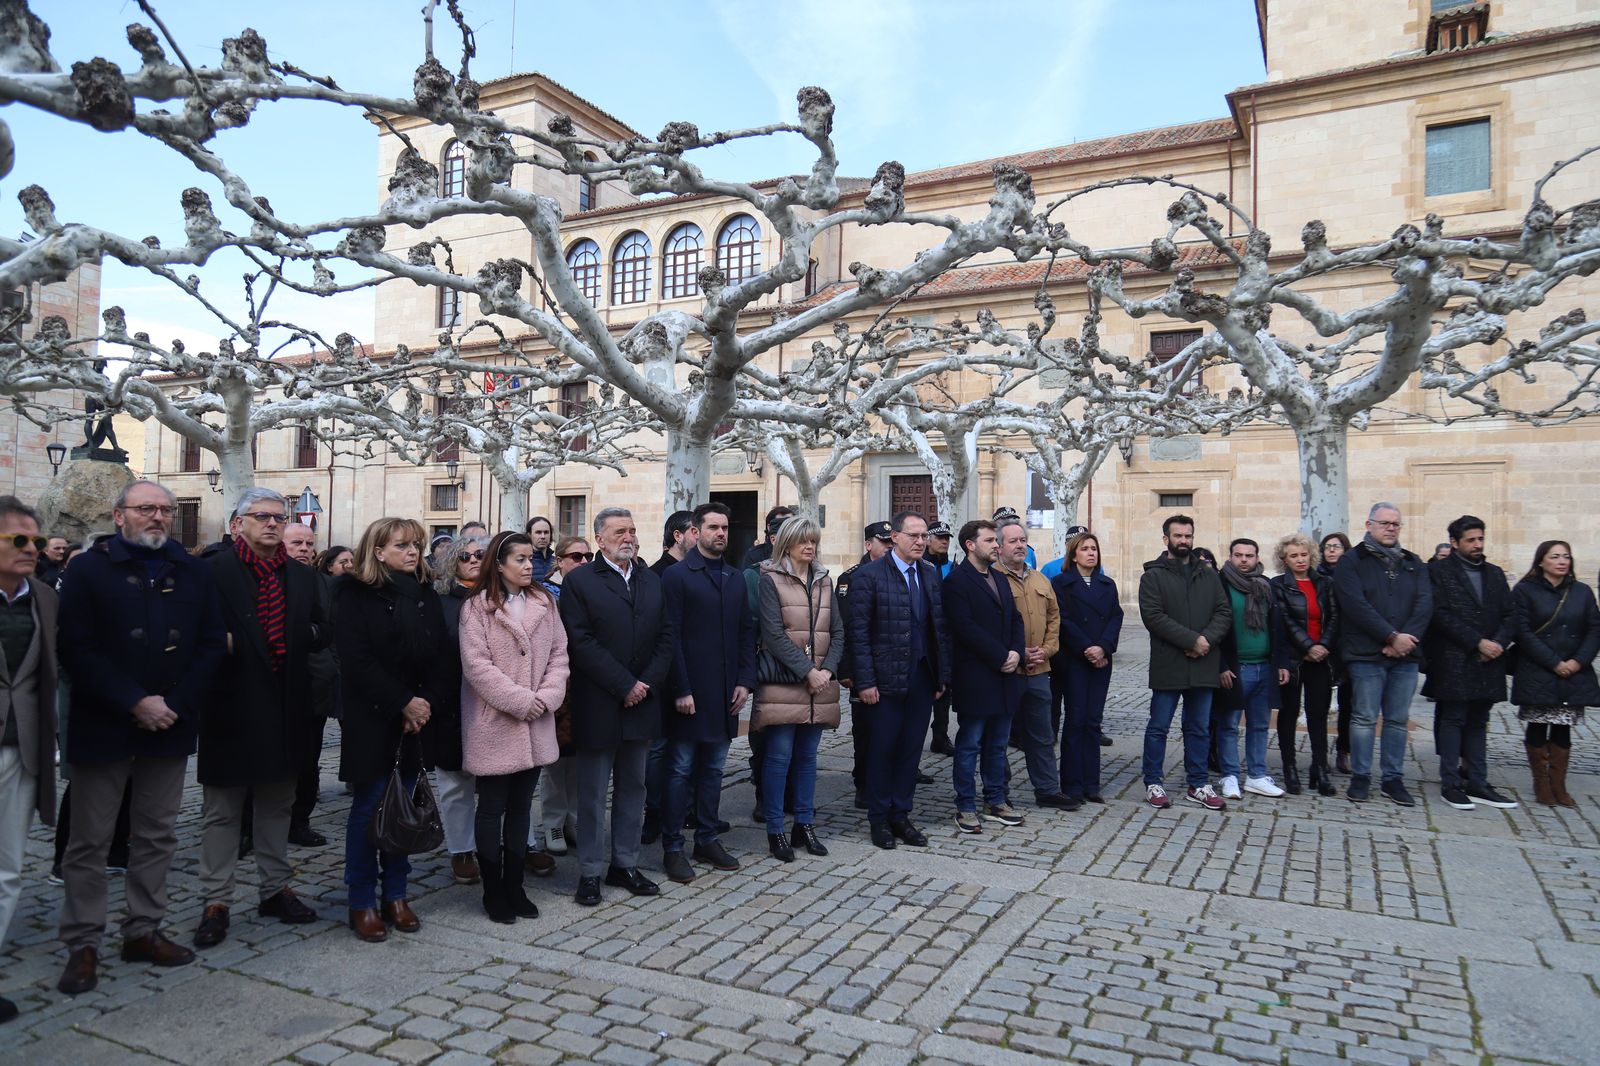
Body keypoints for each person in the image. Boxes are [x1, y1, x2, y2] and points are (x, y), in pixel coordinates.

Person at [56, 480, 226, 995]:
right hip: (105, 721)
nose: (157, 517)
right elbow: (76, 649)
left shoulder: (194, 570)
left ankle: (143, 930)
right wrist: (134, 700)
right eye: (145, 508)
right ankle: (84, 942)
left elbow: (212, 644)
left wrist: (173, 705)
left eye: (165, 510)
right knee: (90, 841)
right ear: (119, 515)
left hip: (169, 725)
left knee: (156, 835)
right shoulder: (87, 569)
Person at [192, 489, 324, 950]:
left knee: (277, 805)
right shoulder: (211, 572)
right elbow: (193, 633)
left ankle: (274, 889)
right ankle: (216, 900)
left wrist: (301, 639)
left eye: (277, 517)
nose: (271, 524)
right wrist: (219, 645)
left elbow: (323, 630)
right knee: (223, 812)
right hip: (229, 706)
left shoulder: (302, 578)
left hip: (286, 706)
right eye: (261, 517)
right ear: (237, 525)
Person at [334, 517, 452, 942]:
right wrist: (402, 701)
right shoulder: (352, 594)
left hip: (416, 720)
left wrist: (424, 704)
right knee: (370, 808)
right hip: (374, 717)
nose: (412, 552)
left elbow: (442, 657)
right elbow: (356, 659)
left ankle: (396, 895)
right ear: (378, 551)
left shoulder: (424, 595)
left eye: (416, 545)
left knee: (407, 807)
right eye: (402, 545)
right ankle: (361, 900)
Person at [558, 507, 673, 906]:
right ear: (600, 540)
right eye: (620, 531)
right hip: (600, 702)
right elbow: (580, 641)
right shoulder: (581, 583)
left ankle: (624, 864)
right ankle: (589, 872)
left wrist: (645, 684)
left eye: (633, 530)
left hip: (642, 701)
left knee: (633, 788)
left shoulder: (651, 580)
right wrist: (623, 684)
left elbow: (666, 637)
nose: (629, 537)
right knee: (591, 794)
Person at [459, 531, 569, 923]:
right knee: (491, 808)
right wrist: (521, 701)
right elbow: (477, 667)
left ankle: (515, 885)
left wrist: (548, 696)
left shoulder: (545, 602)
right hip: (495, 722)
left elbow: (560, 654)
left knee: (523, 805)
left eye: (529, 559)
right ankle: (493, 890)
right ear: (499, 563)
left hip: (537, 720)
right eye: (519, 559)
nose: (528, 566)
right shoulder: (477, 608)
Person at [659, 503, 756, 882]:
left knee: (714, 769)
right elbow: (671, 637)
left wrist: (745, 682)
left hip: (726, 694)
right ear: (695, 532)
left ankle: (707, 837)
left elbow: (746, 633)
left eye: (725, 528)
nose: (720, 533)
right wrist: (681, 688)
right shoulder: (678, 577)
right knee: (680, 769)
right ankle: (672, 847)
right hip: (689, 694)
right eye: (713, 527)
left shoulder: (735, 578)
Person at [845, 511, 950, 849]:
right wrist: (865, 682)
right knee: (882, 750)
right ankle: (879, 819)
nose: (921, 542)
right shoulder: (869, 576)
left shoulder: (931, 574)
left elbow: (938, 629)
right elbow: (858, 634)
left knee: (909, 751)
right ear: (896, 538)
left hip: (921, 677)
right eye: (914, 536)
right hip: (883, 680)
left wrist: (941, 676)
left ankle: (901, 814)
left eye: (924, 537)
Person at [0, 498, 59, 1024]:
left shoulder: (42, 595)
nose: (32, 550)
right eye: (19, 540)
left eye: (36, 541)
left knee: (8, 866)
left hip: (21, 746)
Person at [753, 516, 843, 861]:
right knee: (778, 758)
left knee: (807, 759)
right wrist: (808, 671)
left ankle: (804, 824)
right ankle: (775, 828)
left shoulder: (823, 580)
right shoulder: (770, 579)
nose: (810, 546)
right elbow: (774, 635)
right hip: (784, 682)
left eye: (814, 540)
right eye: (803, 540)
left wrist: (828, 670)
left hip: (818, 684)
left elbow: (838, 631)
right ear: (786, 543)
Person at [1333, 502, 1433, 806]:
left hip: (1405, 656)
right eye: (1385, 523)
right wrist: (1389, 636)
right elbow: (1354, 604)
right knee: (1363, 718)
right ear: (1369, 525)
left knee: (1397, 719)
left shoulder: (1413, 562)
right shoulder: (1352, 561)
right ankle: (1361, 776)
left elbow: (1425, 603)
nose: (1391, 528)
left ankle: (1392, 778)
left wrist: (1406, 640)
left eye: (1395, 524)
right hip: (1366, 653)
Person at [1423, 516, 1519, 811]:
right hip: (1454, 659)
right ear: (1455, 543)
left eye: (1480, 539)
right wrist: (1477, 642)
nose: (1478, 545)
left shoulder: (1494, 574)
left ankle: (1478, 781)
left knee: (1479, 721)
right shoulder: (1438, 572)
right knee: (1453, 719)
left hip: (1489, 660)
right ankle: (1451, 782)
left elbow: (1511, 614)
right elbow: (1439, 614)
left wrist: (1498, 643)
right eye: (1471, 540)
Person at [1138, 514, 1230, 812]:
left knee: (1199, 728)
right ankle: (1153, 781)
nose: (1184, 541)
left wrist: (1205, 641)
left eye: (1188, 536)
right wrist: (1192, 641)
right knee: (1159, 727)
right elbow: (1154, 617)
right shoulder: (1152, 576)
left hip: (1204, 662)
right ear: (1166, 539)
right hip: (1170, 662)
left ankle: (1198, 783)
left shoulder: (1208, 574)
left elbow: (1223, 612)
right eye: (1178, 536)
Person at [943, 520, 1026, 834]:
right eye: (990, 540)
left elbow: (1015, 620)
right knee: (970, 744)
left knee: (998, 744)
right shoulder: (956, 582)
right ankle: (965, 804)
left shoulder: (1000, 578)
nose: (996, 545)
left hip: (1005, 677)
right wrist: (1000, 655)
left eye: (996, 540)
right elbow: (964, 628)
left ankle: (996, 799)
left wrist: (1016, 652)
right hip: (977, 676)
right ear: (970, 544)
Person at [1510, 541, 1600, 807]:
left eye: (1566, 556)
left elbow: (1594, 629)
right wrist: (1553, 662)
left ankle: (1559, 784)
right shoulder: (1525, 590)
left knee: (1563, 728)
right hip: (1539, 668)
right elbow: (1522, 631)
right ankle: (1541, 783)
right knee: (1538, 724)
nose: (1562, 561)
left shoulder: (1582, 591)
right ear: (1541, 561)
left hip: (1573, 670)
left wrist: (1578, 661)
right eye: (1555, 557)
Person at [996, 519, 1075, 810]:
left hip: (1040, 670)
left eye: (1022, 541)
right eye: (1013, 541)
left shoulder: (1042, 580)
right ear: (999, 546)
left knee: (1042, 734)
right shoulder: (992, 579)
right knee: (999, 735)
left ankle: (1047, 790)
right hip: (1006, 671)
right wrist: (1015, 653)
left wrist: (1047, 650)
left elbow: (1055, 618)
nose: (1019, 546)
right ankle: (998, 791)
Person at [1214, 538, 1292, 800]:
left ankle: (1257, 776)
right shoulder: (1220, 584)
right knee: (1229, 725)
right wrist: (1221, 666)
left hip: (1264, 667)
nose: (1244, 560)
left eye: (1249, 555)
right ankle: (1230, 776)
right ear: (1230, 556)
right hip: (1237, 667)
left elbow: (1277, 627)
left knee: (1259, 725)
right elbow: (1213, 628)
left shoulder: (1265, 585)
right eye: (1239, 555)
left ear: (1258, 558)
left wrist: (1281, 663)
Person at [432, 533, 489, 885]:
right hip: (452, 703)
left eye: (480, 554)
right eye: (464, 555)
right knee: (455, 783)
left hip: (497, 704)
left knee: (506, 781)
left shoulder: (505, 598)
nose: (472, 560)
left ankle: (520, 842)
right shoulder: (439, 603)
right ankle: (461, 849)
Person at [1271, 533, 1340, 798]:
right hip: (1292, 659)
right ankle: (1289, 768)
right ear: (1284, 560)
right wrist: (1308, 647)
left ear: (1311, 555)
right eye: (1293, 556)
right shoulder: (1278, 585)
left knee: (1318, 715)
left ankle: (1319, 768)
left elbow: (1334, 617)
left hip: (1321, 658)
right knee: (1288, 714)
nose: (1300, 560)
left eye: (1303, 554)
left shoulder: (1325, 583)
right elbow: (1284, 620)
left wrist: (1322, 645)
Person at [1053, 531, 1121, 805]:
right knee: (1076, 720)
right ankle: (1072, 784)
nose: (1091, 553)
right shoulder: (1061, 583)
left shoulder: (1107, 584)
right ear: (1074, 554)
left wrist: (1103, 647)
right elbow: (1063, 620)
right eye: (1085, 549)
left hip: (1101, 660)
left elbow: (1116, 617)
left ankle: (1092, 783)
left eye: (1094, 548)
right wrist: (1087, 648)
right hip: (1075, 659)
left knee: (1093, 721)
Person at [643, 510, 697, 843]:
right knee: (659, 750)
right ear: (677, 536)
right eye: (695, 530)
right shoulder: (655, 575)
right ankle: (654, 813)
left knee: (688, 748)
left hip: (694, 675)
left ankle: (685, 809)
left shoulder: (699, 571)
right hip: (663, 679)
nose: (701, 536)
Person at [537, 536, 590, 859]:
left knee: (580, 761)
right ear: (559, 560)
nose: (583, 561)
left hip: (585, 684)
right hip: (557, 684)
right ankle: (553, 823)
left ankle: (574, 820)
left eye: (588, 556)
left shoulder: (588, 588)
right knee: (555, 762)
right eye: (576, 556)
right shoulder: (545, 595)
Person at [838, 522, 894, 809]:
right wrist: (846, 669)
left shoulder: (899, 574)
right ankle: (863, 782)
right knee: (864, 730)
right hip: (863, 667)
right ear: (868, 544)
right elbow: (846, 627)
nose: (888, 547)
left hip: (893, 668)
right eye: (883, 542)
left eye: (890, 542)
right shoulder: (851, 578)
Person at [1317, 533, 1355, 774]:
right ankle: (1320, 754)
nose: (1331, 551)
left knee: (1348, 704)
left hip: (1348, 645)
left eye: (1336, 546)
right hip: (1322, 643)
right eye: (1327, 547)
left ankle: (1344, 751)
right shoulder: (1316, 576)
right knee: (1319, 704)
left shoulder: (1352, 575)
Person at [743, 505, 796, 570]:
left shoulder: (800, 554)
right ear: (769, 527)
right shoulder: (754, 555)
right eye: (781, 524)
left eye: (792, 524)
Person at [650, 510, 698, 576]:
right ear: (677, 536)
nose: (700, 537)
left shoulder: (697, 570)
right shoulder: (654, 575)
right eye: (695, 532)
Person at [524, 516, 556, 584]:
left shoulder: (556, 562)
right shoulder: (524, 563)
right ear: (529, 535)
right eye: (538, 532)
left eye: (546, 532)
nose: (543, 536)